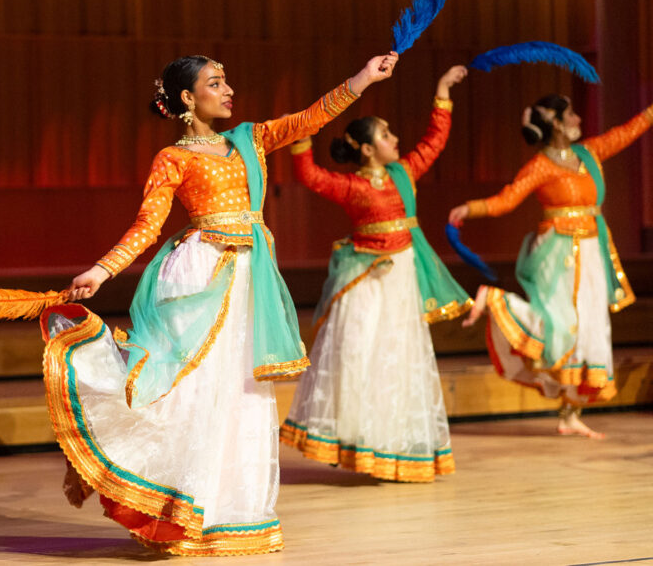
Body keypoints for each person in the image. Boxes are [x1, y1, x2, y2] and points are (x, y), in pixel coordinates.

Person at [43, 51, 398, 556]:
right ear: (188, 99)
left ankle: (229, 512)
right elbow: (147, 225)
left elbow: (309, 118)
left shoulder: (248, 140)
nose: (228, 90)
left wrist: (364, 78)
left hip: (247, 280)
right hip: (199, 279)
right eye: (215, 83)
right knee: (190, 392)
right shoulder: (175, 159)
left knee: (241, 394)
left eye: (227, 80)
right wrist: (102, 269)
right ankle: (177, 508)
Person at [280, 66, 471, 483]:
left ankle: (392, 444)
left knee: (397, 358)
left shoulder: (404, 172)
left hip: (401, 277)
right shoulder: (349, 186)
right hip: (363, 279)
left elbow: (433, 141)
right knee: (355, 355)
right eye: (386, 135)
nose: (396, 140)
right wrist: (300, 136)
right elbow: (309, 176)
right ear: (367, 149)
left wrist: (441, 90)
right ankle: (352, 440)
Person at [449, 96, 653, 439]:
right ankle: (495, 300)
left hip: (591, 250)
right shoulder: (540, 166)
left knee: (591, 328)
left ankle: (570, 414)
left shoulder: (589, 153)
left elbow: (627, 132)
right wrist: (472, 208)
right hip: (556, 255)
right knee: (561, 324)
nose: (577, 119)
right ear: (557, 123)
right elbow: (507, 199)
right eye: (571, 114)